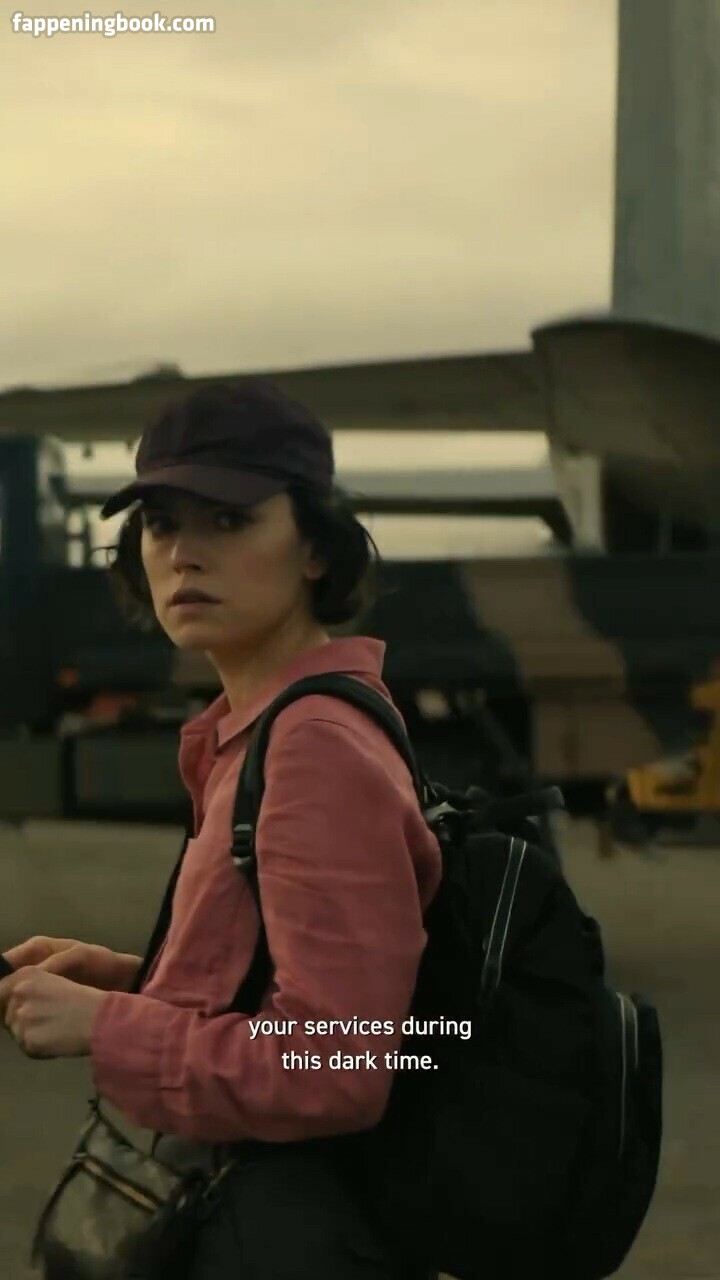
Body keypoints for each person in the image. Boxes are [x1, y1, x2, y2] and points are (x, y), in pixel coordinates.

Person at [0, 379, 443, 1279]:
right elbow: (291, 986)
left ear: (315, 547)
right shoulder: (264, 730)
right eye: (162, 523)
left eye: (229, 521)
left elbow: (336, 1063)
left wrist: (110, 1028)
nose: (184, 553)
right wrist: (138, 982)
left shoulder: (313, 746)